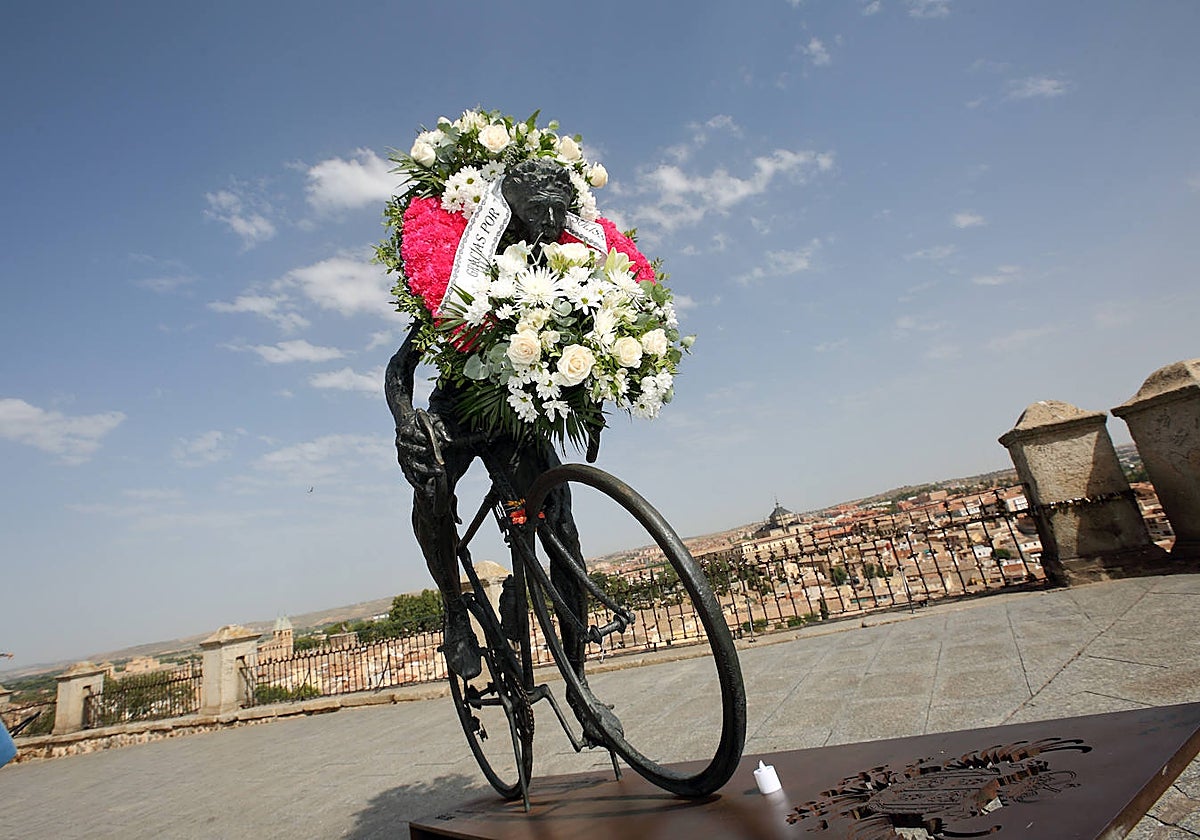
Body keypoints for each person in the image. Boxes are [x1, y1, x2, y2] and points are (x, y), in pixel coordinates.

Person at [384, 159, 590, 688]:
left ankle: (582, 686)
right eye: (536, 211)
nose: (547, 220)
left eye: (556, 211)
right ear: (513, 216)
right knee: (429, 490)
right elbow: (401, 367)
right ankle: (454, 614)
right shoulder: (463, 273)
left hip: (514, 416)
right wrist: (406, 421)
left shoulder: (562, 275)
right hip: (456, 412)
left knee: (563, 531)